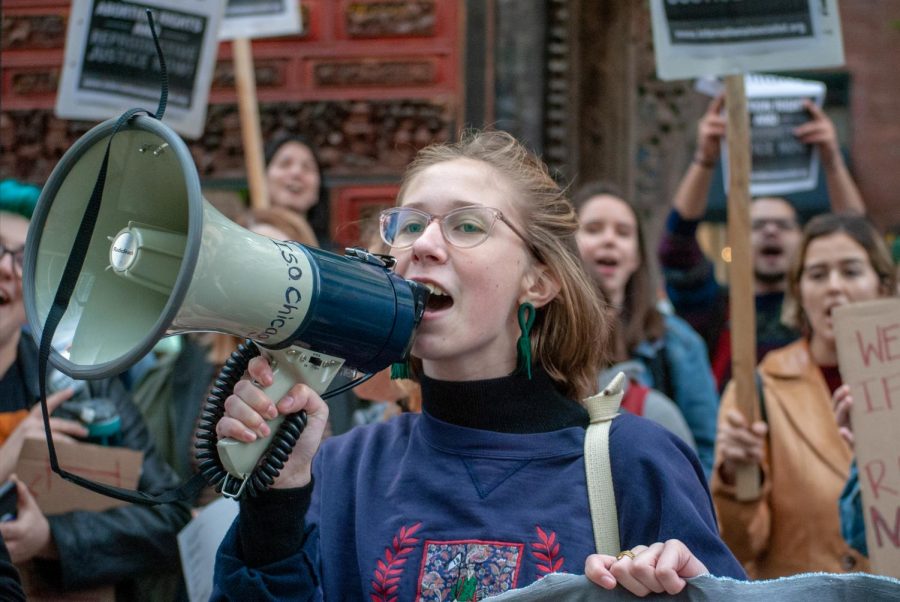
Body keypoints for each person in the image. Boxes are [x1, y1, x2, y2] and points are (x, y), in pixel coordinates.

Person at [212, 130, 744, 599]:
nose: (424, 245)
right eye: (409, 225)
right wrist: (275, 509)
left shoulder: (638, 463)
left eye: (467, 226)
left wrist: (686, 590)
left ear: (538, 280)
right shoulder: (342, 469)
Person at [0, 201, 192, 599]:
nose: (6, 268)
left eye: (22, 259)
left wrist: (52, 539)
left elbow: (171, 518)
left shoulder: (82, 385)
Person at [711, 212, 896, 578]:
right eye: (817, 275)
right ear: (798, 293)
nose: (834, 286)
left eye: (851, 271)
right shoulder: (759, 389)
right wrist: (735, 479)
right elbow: (739, 547)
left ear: (884, 286)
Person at [658, 95, 866, 391]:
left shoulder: (825, 310)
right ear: (738, 243)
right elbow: (676, 250)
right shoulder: (714, 310)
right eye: (756, 226)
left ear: (802, 243)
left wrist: (831, 160)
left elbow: (858, 240)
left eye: (783, 225)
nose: (771, 231)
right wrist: (704, 160)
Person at [574, 182, 718, 475]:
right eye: (593, 229)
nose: (609, 240)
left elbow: (705, 454)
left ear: (637, 256)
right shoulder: (538, 334)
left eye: (623, 233)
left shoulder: (679, 343)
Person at [264, 133, 331, 248]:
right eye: (285, 164)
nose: (296, 172)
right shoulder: (244, 238)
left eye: (307, 167)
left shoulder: (330, 255)